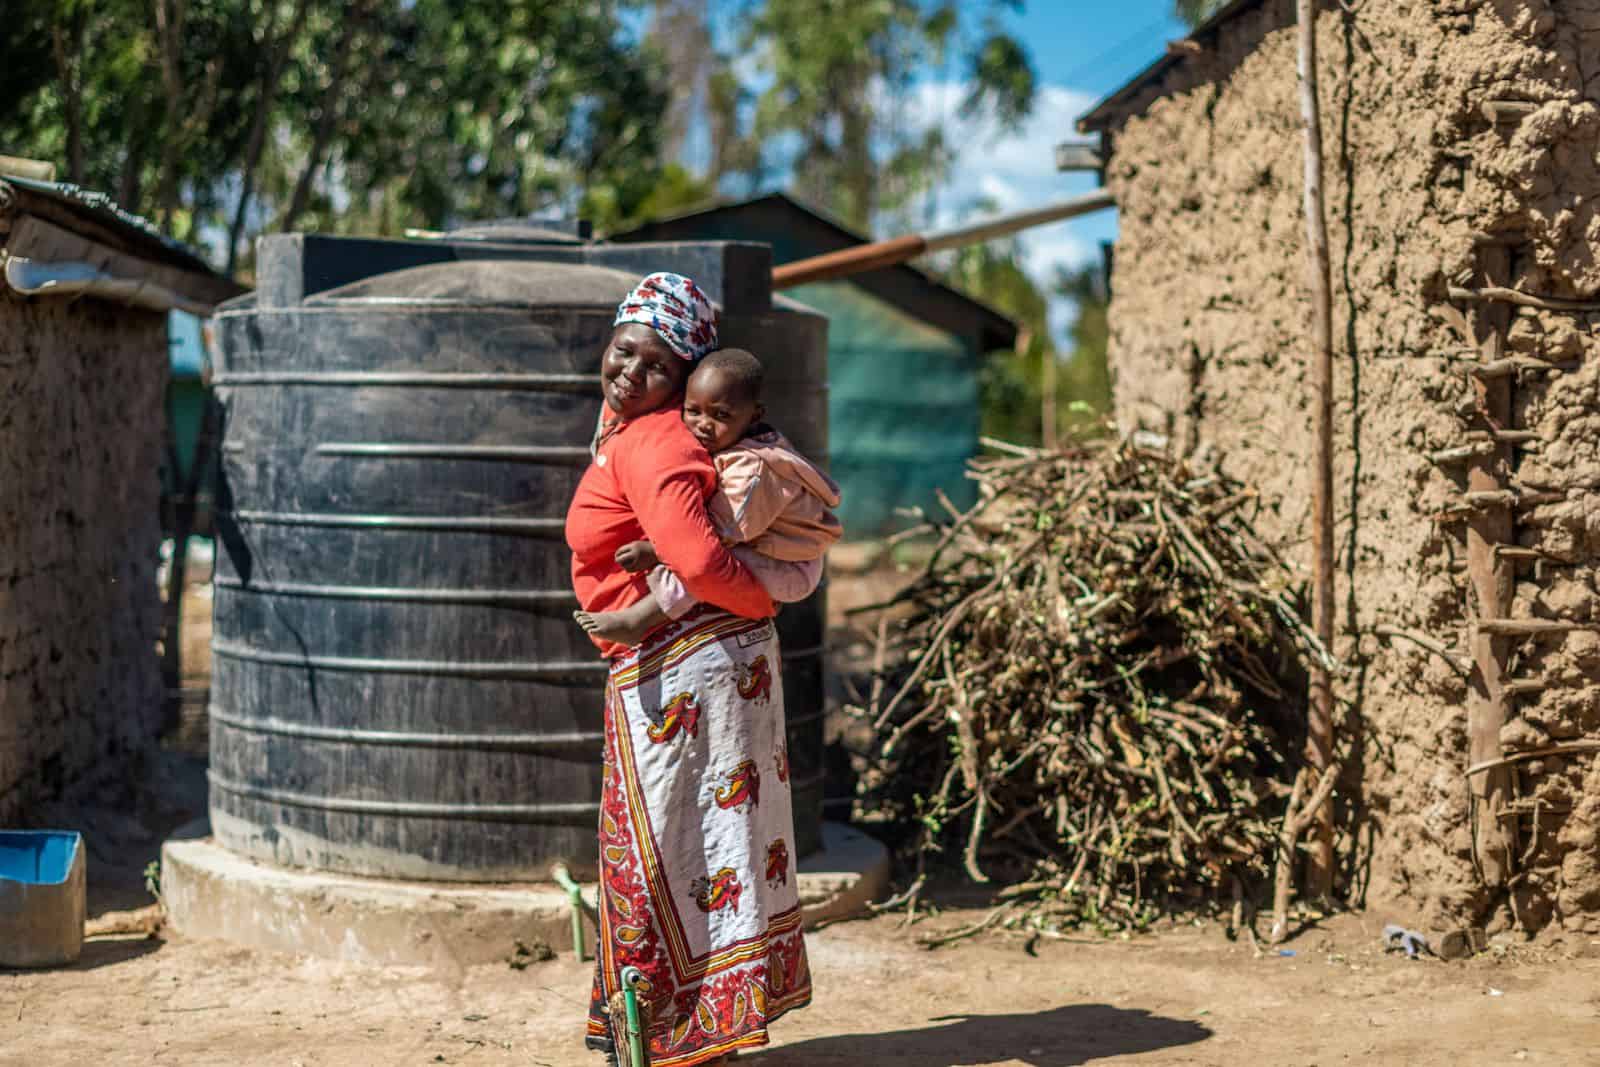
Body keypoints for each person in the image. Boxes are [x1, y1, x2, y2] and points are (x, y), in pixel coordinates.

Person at [564, 272, 812, 1067]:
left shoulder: (659, 440)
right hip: (687, 665)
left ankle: (688, 1034)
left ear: (682, 378)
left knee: (686, 848)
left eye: (656, 367)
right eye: (623, 351)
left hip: (695, 668)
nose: (630, 374)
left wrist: (750, 601)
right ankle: (677, 1032)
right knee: (687, 843)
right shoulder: (632, 429)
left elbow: (699, 557)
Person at [573, 347, 841, 649]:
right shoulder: (731, 446)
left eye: (721, 415)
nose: (703, 423)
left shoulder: (753, 467)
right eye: (693, 411)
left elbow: (728, 530)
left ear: (754, 415)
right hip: (775, 552)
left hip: (794, 568)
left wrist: (655, 551)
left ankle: (639, 620)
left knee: (698, 560)